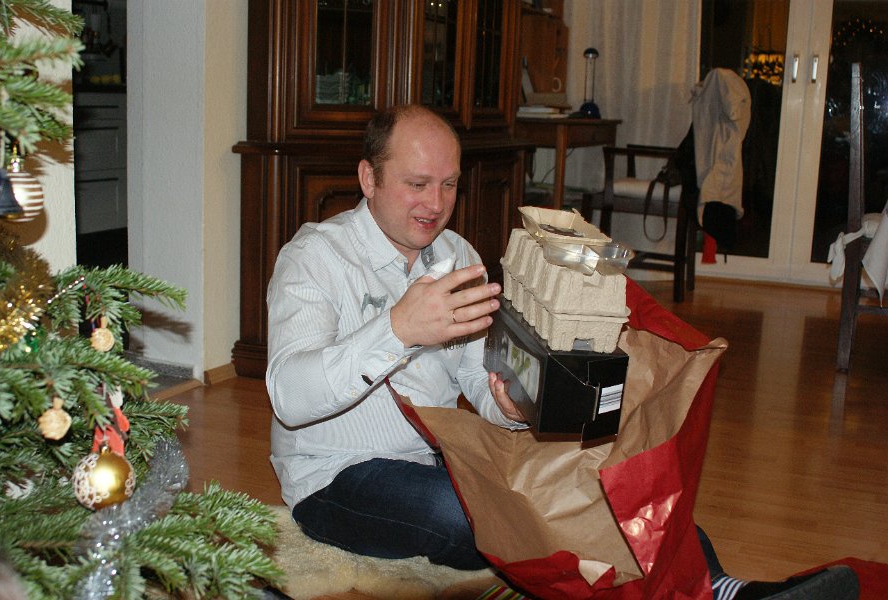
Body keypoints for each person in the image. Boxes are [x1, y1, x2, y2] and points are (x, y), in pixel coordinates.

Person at [266, 104, 858, 599]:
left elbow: (479, 382)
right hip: (336, 473)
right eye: (416, 184)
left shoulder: (458, 255)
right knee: (480, 519)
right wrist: (397, 328)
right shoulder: (314, 258)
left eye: (449, 184)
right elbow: (290, 396)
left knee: (605, 483)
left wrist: (511, 406)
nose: (435, 204)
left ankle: (729, 590)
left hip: (441, 453)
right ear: (368, 178)